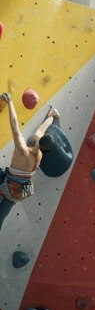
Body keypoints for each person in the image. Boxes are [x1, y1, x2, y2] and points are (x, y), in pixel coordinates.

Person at [0, 94, 59, 231]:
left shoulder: (23, 151)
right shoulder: (39, 151)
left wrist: (10, 103)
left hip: (9, 184)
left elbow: (14, 126)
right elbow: (41, 130)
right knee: (3, 213)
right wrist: (53, 115)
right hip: (20, 191)